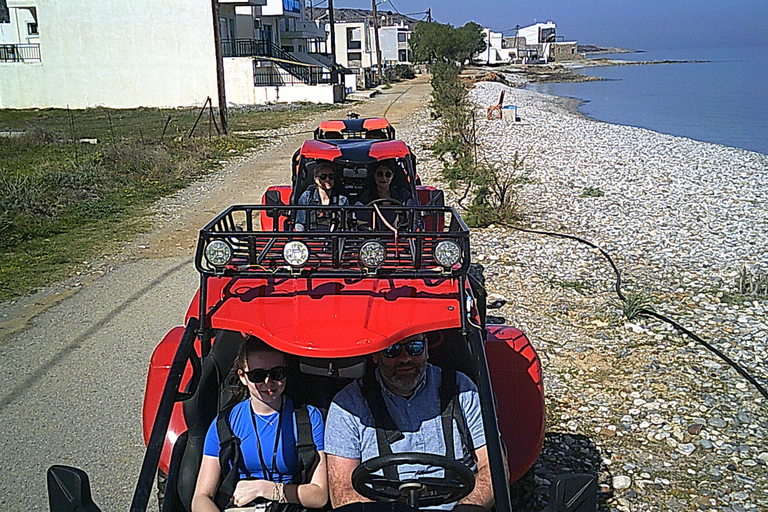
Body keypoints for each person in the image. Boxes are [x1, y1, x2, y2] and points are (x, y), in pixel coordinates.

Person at [323, 334, 494, 512]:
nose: (405, 358)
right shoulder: (348, 404)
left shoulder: (461, 389)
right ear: (375, 354)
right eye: (392, 350)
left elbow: (494, 467)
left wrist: (465, 508)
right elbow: (342, 492)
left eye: (414, 347)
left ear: (426, 347)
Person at [192, 336, 328, 512]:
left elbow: (320, 496)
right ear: (242, 377)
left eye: (277, 373)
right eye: (258, 375)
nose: (268, 382)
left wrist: (265, 489)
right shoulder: (226, 423)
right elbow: (201, 497)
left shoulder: (309, 420)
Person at [294, 162, 349, 231]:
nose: (327, 179)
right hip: (311, 238)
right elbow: (300, 223)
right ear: (316, 179)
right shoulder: (307, 197)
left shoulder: (342, 200)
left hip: (334, 238)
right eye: (323, 177)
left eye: (331, 176)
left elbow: (345, 226)